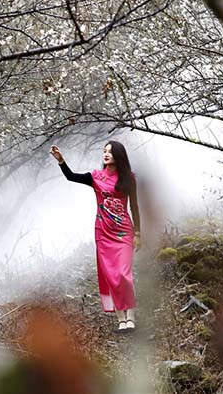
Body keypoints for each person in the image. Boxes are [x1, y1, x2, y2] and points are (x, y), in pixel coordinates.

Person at [50, 141, 141, 333]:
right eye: (104, 151)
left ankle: (131, 317)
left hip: (124, 232)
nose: (106, 154)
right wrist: (61, 161)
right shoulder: (96, 177)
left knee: (124, 275)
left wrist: (138, 234)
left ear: (119, 155)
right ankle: (121, 319)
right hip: (103, 233)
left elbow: (134, 207)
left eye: (110, 152)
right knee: (112, 276)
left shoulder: (129, 178)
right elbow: (71, 176)